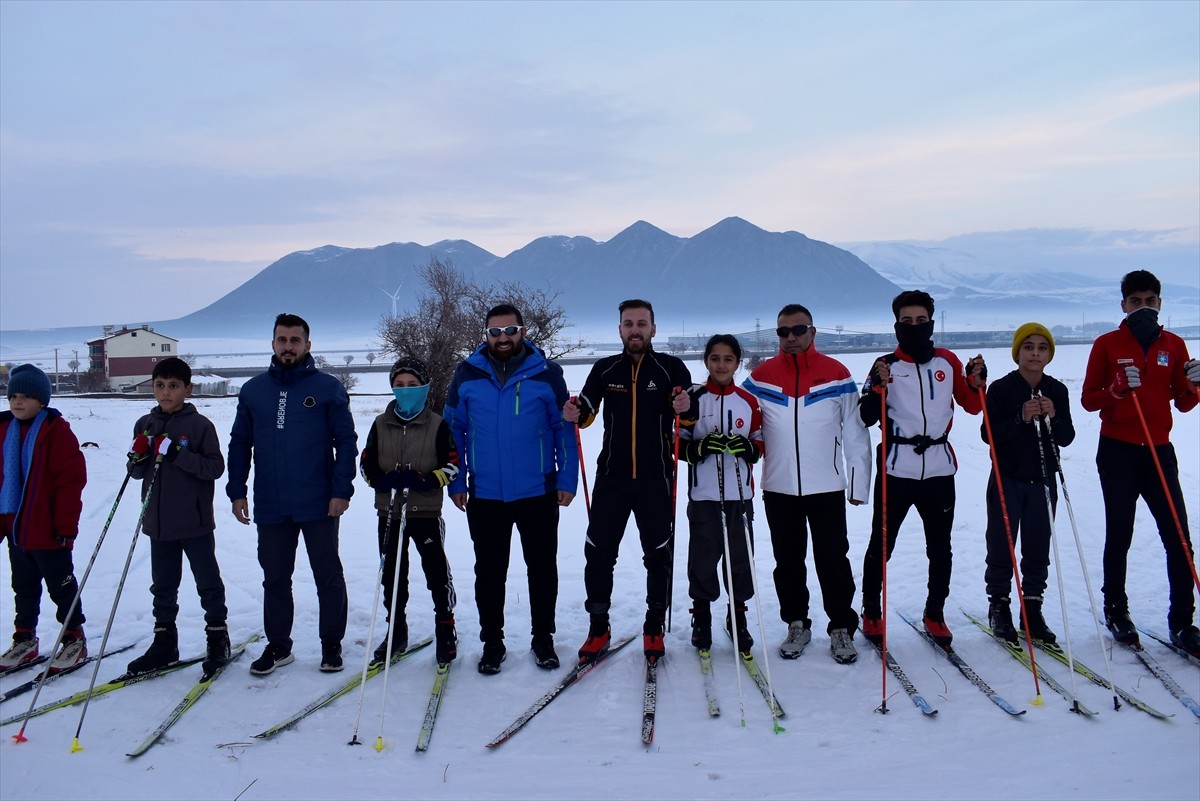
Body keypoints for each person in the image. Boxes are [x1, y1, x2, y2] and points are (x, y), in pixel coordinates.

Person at [443, 304, 577, 674]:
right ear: (485, 334)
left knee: (542, 569)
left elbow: (563, 429)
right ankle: (492, 643)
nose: (503, 338)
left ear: (524, 331)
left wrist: (566, 479)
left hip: (538, 490)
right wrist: (456, 479)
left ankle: (543, 639)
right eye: (495, 332)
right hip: (485, 494)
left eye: (510, 330)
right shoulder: (466, 374)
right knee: (489, 571)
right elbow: (453, 430)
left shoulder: (548, 375)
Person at [227, 313, 358, 675]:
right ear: (273, 344)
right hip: (271, 503)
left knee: (327, 574)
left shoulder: (328, 387)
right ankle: (279, 646)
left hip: (318, 501)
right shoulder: (253, 390)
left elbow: (346, 442)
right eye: (282, 340)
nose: (288, 347)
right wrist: (237, 490)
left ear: (307, 346)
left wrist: (341, 489)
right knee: (275, 577)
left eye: (295, 340)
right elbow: (240, 444)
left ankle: (331, 643)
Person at [564, 299, 692, 662]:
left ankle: (654, 626)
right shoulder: (606, 368)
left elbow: (690, 413)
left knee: (658, 555)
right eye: (628, 324)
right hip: (612, 480)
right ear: (619, 329)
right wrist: (575, 410)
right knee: (599, 555)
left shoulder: (670, 368)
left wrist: (687, 407)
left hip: (655, 478)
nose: (634, 330)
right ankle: (598, 627)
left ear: (654, 329)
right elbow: (586, 413)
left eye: (641, 323)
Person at [1081, 270, 1200, 655]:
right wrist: (1115, 390)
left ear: (1160, 304)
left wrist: (1197, 386)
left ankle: (1182, 622)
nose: (1143, 308)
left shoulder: (1174, 345)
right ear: (1124, 305)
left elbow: (1182, 402)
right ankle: (1116, 609)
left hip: (1159, 451)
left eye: (1150, 301)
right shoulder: (1107, 343)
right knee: (1121, 533)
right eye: (1136, 302)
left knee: (1178, 536)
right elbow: (1088, 399)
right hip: (1117, 450)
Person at [744, 305, 871, 664]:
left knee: (833, 559)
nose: (791, 338)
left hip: (826, 487)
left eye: (798, 330)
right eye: (783, 332)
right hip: (778, 487)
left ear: (813, 332)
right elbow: (738, 415)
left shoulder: (837, 374)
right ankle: (796, 623)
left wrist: (858, 484)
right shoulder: (760, 377)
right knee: (788, 561)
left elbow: (856, 434)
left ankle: (841, 627)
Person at [858, 290, 985, 647]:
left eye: (921, 321)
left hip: (939, 469)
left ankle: (935, 612)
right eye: (906, 322)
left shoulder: (947, 361)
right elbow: (867, 416)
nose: (914, 327)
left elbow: (973, 406)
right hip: (897, 467)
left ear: (931, 321)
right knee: (882, 544)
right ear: (896, 325)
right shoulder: (885, 365)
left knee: (940, 547)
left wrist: (976, 382)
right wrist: (877, 390)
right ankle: (871, 610)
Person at [126, 357, 231, 676]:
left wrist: (176, 454)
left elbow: (214, 468)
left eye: (173, 386)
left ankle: (217, 636)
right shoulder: (145, 422)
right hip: (158, 522)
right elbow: (136, 471)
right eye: (160, 386)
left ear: (188, 388)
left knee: (207, 581)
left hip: (194, 522)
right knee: (163, 585)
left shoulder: (200, 426)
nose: (166, 392)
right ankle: (164, 643)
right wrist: (138, 456)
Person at [359, 356, 460, 666]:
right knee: (391, 574)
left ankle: (445, 626)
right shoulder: (380, 424)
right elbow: (365, 464)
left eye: (412, 385)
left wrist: (428, 479)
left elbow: (453, 466)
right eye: (399, 385)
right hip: (390, 512)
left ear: (424, 387)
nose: (405, 390)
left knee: (435, 572)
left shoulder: (438, 424)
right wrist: (380, 479)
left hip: (425, 511)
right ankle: (396, 629)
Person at [980, 324, 1075, 644]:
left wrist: (1054, 416)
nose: (1035, 353)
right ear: (1017, 352)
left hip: (1043, 480)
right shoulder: (1002, 389)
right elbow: (988, 435)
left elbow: (1067, 437)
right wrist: (1020, 417)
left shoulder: (1057, 390)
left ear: (1049, 353)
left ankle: (1032, 609)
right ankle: (1000, 605)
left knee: (1038, 546)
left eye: (1042, 347)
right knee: (1001, 544)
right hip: (1008, 478)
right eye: (1029, 347)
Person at [0, 365, 88, 673]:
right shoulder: (4, 430)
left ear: (42, 401)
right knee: (22, 587)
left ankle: (74, 636)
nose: (18, 402)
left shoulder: (55, 431)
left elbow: (70, 481)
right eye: (13, 396)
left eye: (26, 396)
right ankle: (25, 637)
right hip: (16, 531)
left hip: (49, 532)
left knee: (61, 587)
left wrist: (66, 527)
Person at [679, 335, 763, 654]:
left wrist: (749, 449)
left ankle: (737, 615)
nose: (721, 364)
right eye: (715, 358)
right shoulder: (694, 398)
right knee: (703, 557)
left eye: (728, 359)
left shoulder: (748, 400)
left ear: (737, 363)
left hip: (739, 495)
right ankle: (701, 616)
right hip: (704, 496)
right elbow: (677, 443)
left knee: (740, 557)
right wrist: (698, 448)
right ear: (706, 361)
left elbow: (760, 440)